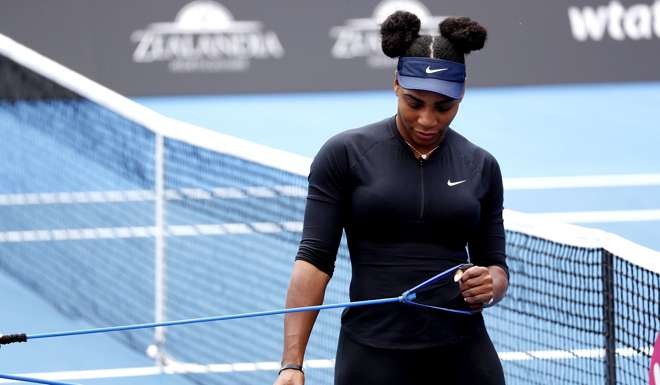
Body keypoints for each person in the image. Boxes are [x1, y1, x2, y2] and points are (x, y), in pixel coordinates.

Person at [274, 10, 508, 385]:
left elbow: (494, 264)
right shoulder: (344, 155)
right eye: (415, 103)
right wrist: (291, 364)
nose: (428, 120)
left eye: (443, 107)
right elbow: (314, 261)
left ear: (461, 94)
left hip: (462, 356)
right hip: (371, 356)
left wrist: (491, 285)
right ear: (396, 84)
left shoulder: (481, 165)